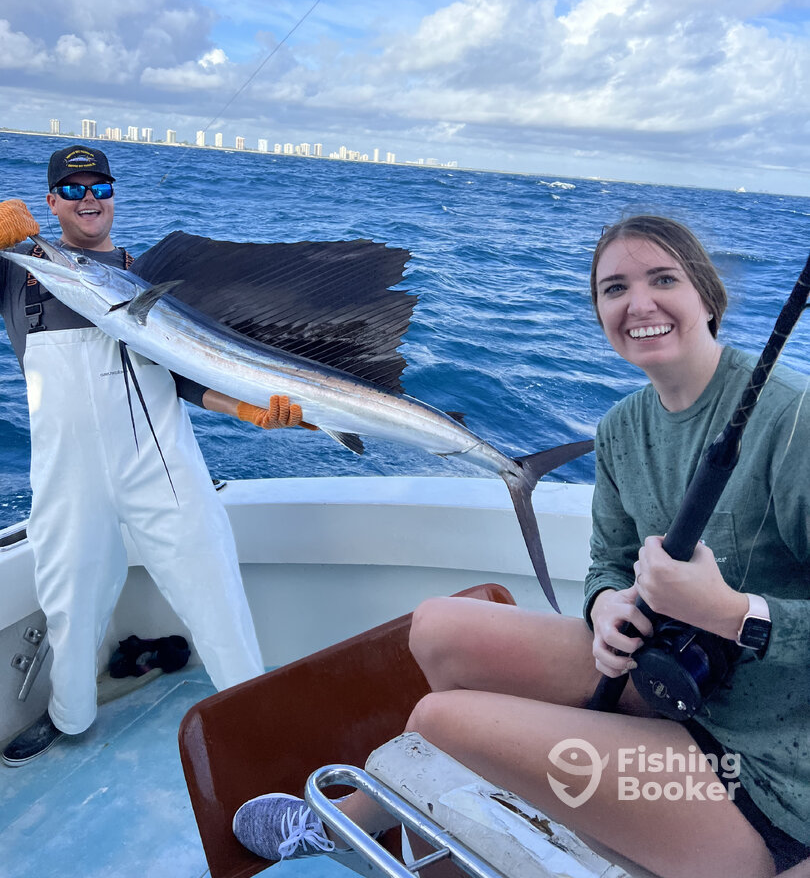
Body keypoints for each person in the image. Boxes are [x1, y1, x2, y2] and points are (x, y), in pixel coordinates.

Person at [231, 215, 810, 877]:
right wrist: (604, 608)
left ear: (708, 296)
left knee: (438, 722)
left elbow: (737, 616)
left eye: (663, 279)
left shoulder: (793, 420)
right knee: (438, 628)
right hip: (675, 683)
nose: (639, 303)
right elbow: (608, 563)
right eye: (614, 288)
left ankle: (338, 829)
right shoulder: (622, 427)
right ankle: (489, 806)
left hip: (770, 776)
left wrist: (735, 615)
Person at [0, 145, 312, 766]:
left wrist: (248, 409)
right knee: (70, 601)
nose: (90, 198)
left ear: (114, 196)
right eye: (74, 189)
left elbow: (187, 374)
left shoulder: (144, 275)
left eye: (100, 186)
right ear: (51, 202)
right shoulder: (17, 272)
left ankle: (258, 725)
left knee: (214, 588)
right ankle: (69, 717)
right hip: (68, 475)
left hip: (160, 463)